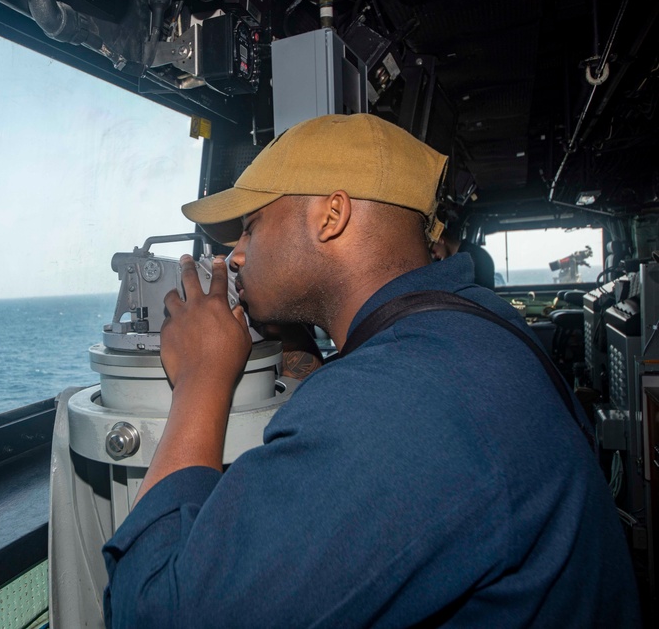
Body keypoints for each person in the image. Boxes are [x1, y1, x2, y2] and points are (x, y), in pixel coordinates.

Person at [102, 114, 640, 627]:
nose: (236, 256)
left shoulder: (402, 398)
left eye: (250, 227)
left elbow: (156, 610)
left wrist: (201, 377)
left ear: (331, 217)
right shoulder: (468, 320)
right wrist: (293, 340)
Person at [431, 219, 497, 290]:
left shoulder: (473, 258)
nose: (433, 256)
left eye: (433, 251)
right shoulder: (473, 254)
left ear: (440, 240)